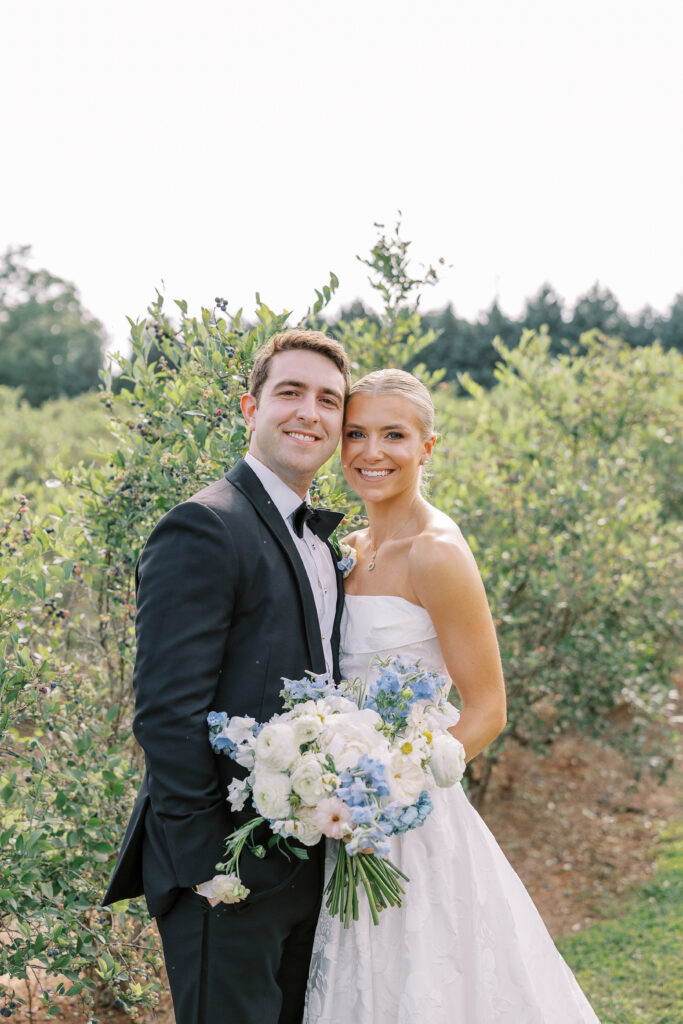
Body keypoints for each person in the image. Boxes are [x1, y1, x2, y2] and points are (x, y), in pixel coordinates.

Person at [304, 368, 600, 1023]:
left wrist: (393, 778)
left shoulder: (437, 552)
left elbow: (488, 709)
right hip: (343, 814)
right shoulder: (346, 551)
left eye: (392, 434)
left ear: (427, 447)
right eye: (355, 434)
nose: (369, 452)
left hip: (415, 817)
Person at [103, 329, 351, 1024]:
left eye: (327, 399)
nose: (309, 411)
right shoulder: (204, 527)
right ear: (249, 407)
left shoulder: (321, 543)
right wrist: (211, 866)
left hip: (304, 860)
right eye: (290, 392)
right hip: (227, 870)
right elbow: (165, 711)